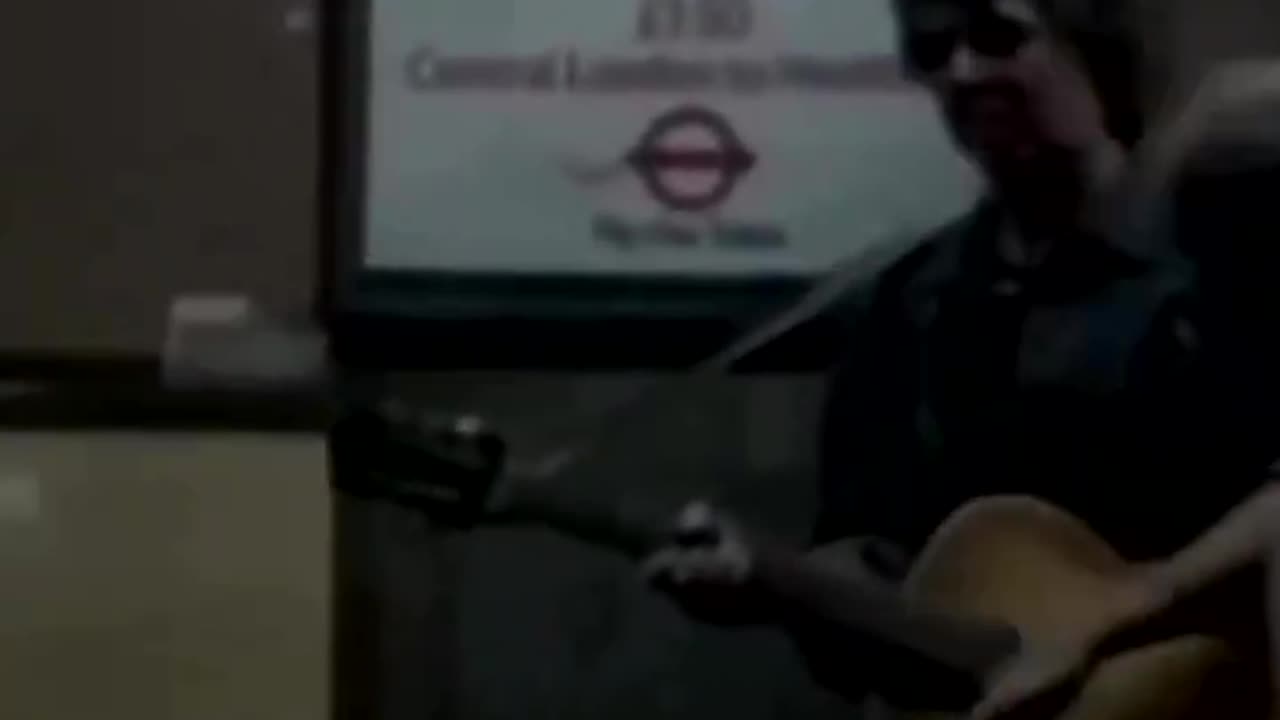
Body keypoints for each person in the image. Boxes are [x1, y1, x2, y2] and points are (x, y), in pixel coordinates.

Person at [643, 0, 1280, 717]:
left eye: (999, 36)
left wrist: (1115, 615)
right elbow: (873, 553)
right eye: (933, 51)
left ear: (1090, 45)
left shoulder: (1221, 248)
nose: (965, 71)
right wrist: (780, 590)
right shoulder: (912, 305)